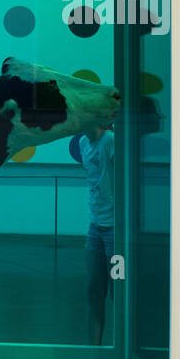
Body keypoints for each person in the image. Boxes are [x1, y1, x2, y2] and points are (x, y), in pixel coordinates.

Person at [80, 122, 115, 347]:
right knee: (94, 290)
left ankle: (121, 349)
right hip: (95, 226)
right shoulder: (84, 142)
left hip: (115, 227)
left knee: (117, 291)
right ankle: (94, 349)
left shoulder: (110, 141)